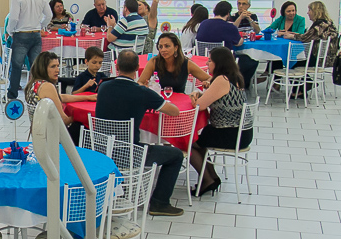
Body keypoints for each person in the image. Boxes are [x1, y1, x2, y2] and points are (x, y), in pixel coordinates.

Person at [94, 50, 185, 217]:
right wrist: (152, 98)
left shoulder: (104, 87)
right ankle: (160, 203)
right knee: (176, 155)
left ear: (117, 67)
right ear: (137, 68)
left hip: (101, 150)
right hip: (130, 153)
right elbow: (174, 111)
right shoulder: (142, 93)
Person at [188, 48, 253, 198]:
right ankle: (211, 177)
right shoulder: (235, 77)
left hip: (230, 133)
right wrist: (201, 93)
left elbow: (199, 105)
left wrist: (193, 94)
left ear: (219, 63)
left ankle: (207, 179)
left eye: (210, 60)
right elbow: (213, 96)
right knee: (198, 141)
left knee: (187, 142)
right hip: (243, 132)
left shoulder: (222, 80)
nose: (207, 63)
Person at [6, 0, 50, 100]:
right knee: (36, 67)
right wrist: (40, 26)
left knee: (17, 66)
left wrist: (10, 31)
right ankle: (38, 93)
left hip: (21, 35)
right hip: (36, 34)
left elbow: (13, 18)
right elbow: (49, 15)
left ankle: (12, 95)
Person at [25, 52, 84, 143]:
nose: (57, 70)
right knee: (82, 127)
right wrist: (80, 116)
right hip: (52, 137)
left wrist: (87, 97)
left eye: (58, 66)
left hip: (39, 135)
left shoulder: (34, 84)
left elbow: (59, 97)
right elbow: (63, 120)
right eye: (53, 67)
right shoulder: (47, 86)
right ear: (43, 68)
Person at [196, 1, 258, 85]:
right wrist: (242, 37)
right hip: (224, 61)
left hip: (204, 59)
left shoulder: (203, 23)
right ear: (228, 13)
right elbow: (238, 43)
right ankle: (241, 85)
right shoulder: (229, 27)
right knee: (252, 61)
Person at [138, 33, 211, 94]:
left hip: (180, 102)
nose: (163, 50)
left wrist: (207, 82)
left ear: (176, 47)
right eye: (160, 47)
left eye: (167, 46)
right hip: (159, 101)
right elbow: (139, 82)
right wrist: (144, 87)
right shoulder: (154, 62)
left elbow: (210, 78)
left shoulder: (186, 63)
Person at [293, 1, 340, 94]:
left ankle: (303, 87)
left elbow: (305, 38)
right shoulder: (329, 23)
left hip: (320, 59)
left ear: (315, 11)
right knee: (296, 62)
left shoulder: (319, 25)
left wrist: (292, 36)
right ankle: (300, 91)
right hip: (329, 58)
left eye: (309, 10)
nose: (308, 12)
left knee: (292, 63)